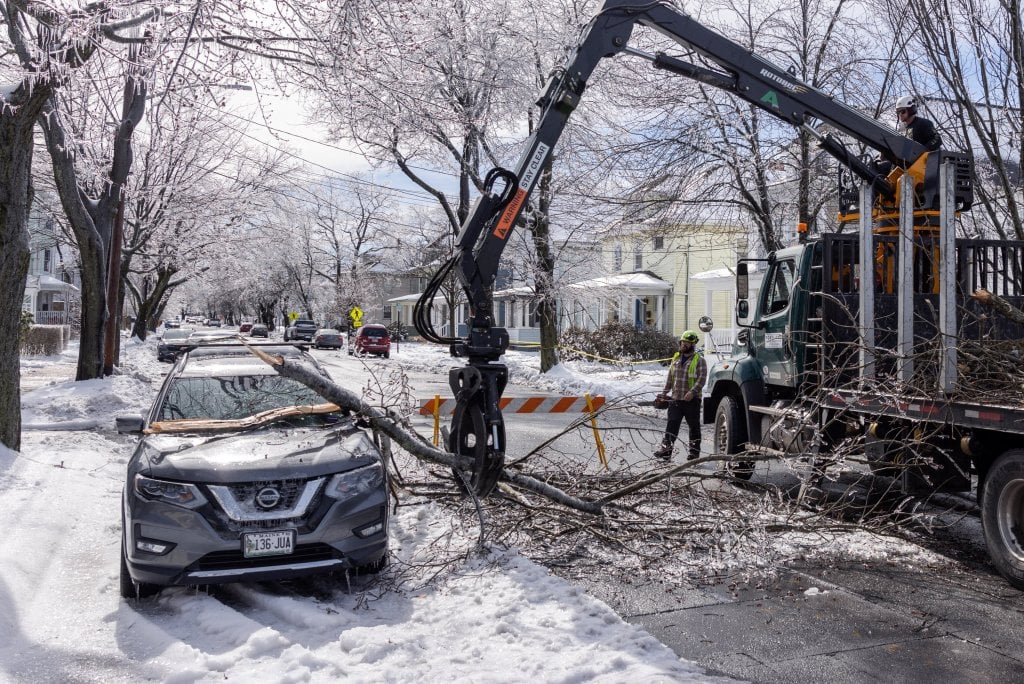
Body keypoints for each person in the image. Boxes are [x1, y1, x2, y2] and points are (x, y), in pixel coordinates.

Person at [654, 330, 707, 461]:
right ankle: (666, 451)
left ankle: (694, 453)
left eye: (688, 343)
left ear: (693, 345)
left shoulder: (699, 360)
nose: (684, 345)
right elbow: (670, 378)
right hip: (676, 399)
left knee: (693, 427)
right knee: (671, 425)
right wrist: (664, 393)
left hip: (692, 400)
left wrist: (692, 392)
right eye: (683, 342)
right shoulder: (676, 358)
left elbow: (702, 379)